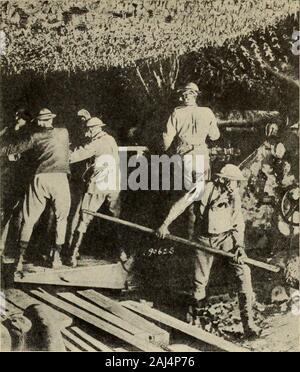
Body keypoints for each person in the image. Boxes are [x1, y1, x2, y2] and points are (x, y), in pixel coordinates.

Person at [156, 164, 261, 338]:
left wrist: (239, 246)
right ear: (223, 180)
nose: (236, 186)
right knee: (199, 283)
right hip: (203, 239)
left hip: (226, 239)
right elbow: (181, 204)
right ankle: (198, 325)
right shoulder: (203, 188)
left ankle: (249, 323)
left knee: (244, 272)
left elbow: (237, 222)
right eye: (233, 182)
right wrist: (165, 224)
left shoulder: (234, 195)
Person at [1, 108, 71, 274]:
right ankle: (56, 258)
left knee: (29, 219)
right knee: (62, 219)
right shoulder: (64, 132)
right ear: (51, 119)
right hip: (60, 178)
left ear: (40, 121)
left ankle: (18, 260)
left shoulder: (34, 136)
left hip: (40, 178)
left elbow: (13, 149)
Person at [163, 82, 220, 239]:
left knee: (187, 195)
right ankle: (195, 237)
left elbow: (166, 138)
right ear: (196, 95)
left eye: (184, 94)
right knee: (199, 196)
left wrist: (168, 152)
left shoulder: (177, 113)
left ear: (184, 96)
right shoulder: (206, 112)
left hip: (184, 156)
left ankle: (185, 235)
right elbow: (215, 136)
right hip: (201, 154)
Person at [67, 117, 123, 267]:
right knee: (115, 218)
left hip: (99, 184)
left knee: (85, 217)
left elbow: (74, 156)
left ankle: (72, 254)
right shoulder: (110, 139)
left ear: (92, 129)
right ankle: (122, 252)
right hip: (114, 184)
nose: (85, 133)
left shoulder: (96, 143)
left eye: (86, 130)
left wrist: (61, 152)